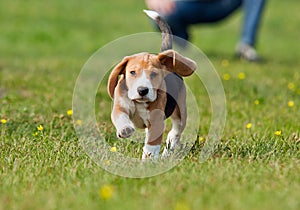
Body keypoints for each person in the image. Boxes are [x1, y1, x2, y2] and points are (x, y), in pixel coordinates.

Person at [145, 0, 267, 62]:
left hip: (221, 4)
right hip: (189, 5)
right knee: (159, 16)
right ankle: (182, 46)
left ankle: (246, 46)